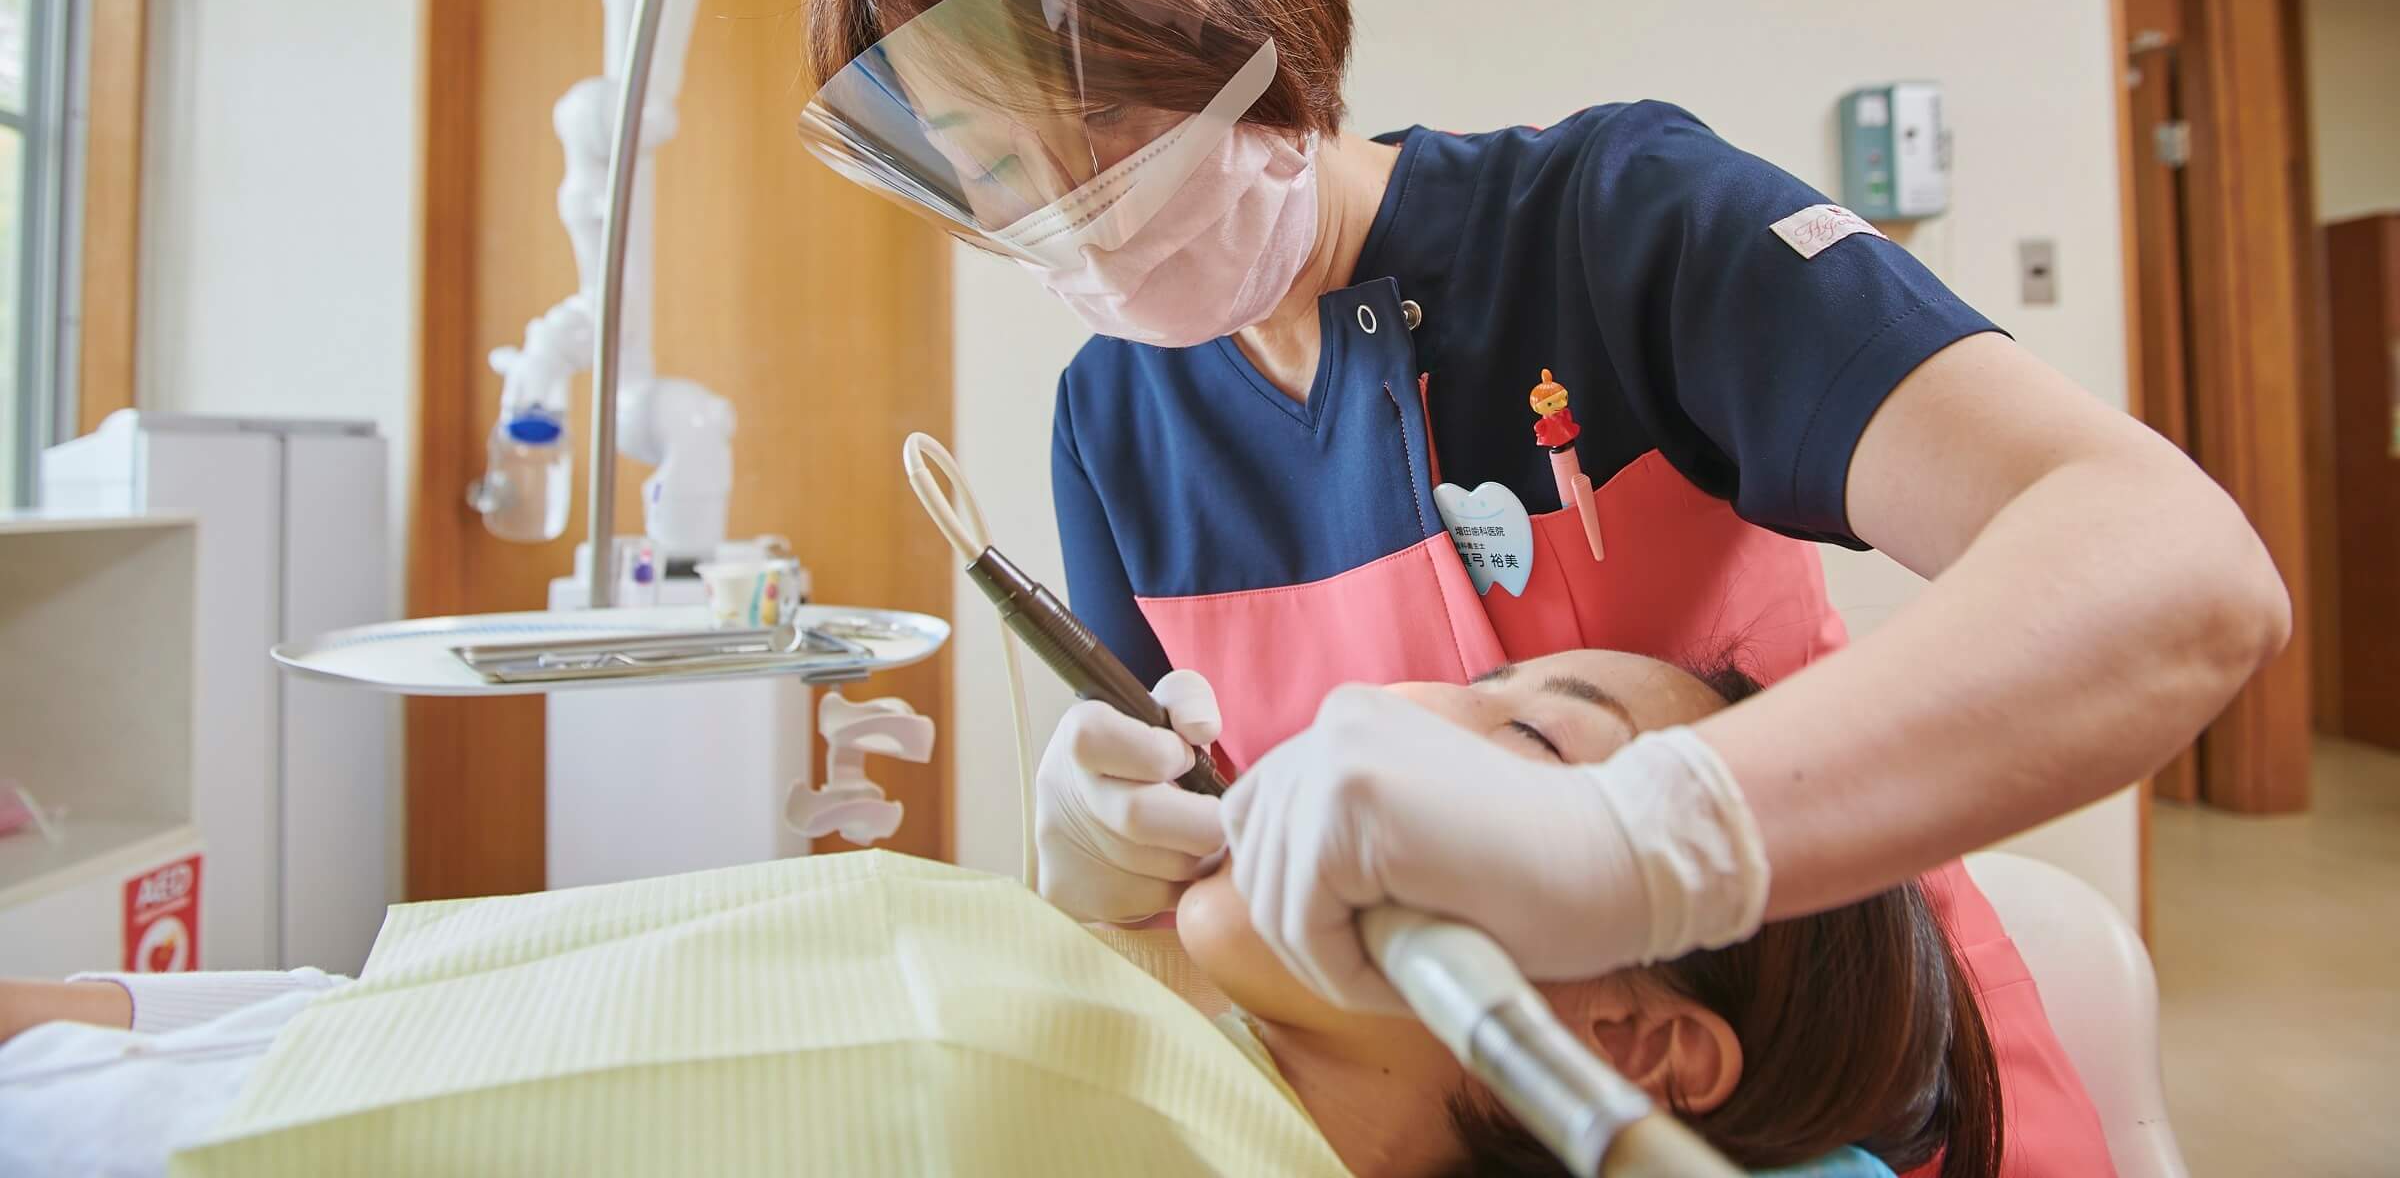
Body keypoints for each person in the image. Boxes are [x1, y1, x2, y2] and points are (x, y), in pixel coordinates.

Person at [798, 0, 2288, 1176]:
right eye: (997, 170)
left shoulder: (1617, 225)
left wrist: (1636, 845)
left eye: (1100, 122)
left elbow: (2176, 572)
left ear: (1245, 5)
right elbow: (1215, 906)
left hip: (1828, 1110)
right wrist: (1116, 870)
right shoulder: (1112, 423)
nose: (1076, 213)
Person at [0, 652, 1994, 1178]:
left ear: (1633, 1036)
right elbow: (302, 1028)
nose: (1378, 714)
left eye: (1531, 735)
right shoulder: (1121, 1011)